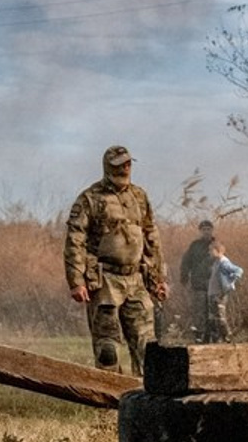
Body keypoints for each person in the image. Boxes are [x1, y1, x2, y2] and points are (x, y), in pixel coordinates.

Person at [63, 145, 168, 375]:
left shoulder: (139, 196)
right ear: (109, 166)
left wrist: (158, 278)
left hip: (136, 278)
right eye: (120, 164)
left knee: (148, 347)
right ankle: (111, 402)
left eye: (129, 163)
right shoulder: (90, 198)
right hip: (104, 281)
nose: (126, 168)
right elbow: (75, 240)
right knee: (107, 348)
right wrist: (76, 281)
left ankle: (145, 401)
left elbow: (151, 236)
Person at [178, 218, 215, 341]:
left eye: (208, 229)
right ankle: (199, 335)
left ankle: (211, 335)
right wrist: (184, 277)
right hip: (198, 284)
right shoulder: (195, 245)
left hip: (214, 285)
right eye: (204, 229)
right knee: (199, 311)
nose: (206, 232)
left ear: (212, 230)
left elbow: (224, 263)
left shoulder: (217, 245)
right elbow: (186, 262)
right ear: (200, 231)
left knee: (213, 311)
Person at [205, 241, 243, 342]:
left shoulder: (224, 263)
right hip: (212, 293)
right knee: (212, 318)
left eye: (211, 250)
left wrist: (230, 282)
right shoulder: (216, 263)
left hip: (219, 294)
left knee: (220, 316)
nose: (209, 252)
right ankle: (216, 339)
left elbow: (238, 270)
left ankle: (228, 336)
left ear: (218, 251)